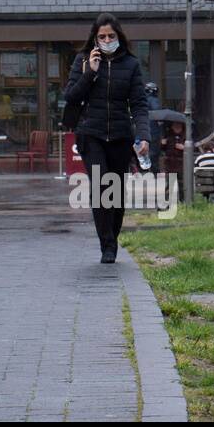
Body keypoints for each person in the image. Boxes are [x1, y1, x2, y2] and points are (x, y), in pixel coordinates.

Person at [63, 13, 150, 264]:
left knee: (117, 191)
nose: (107, 40)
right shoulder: (82, 60)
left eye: (111, 35)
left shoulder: (131, 65)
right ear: (94, 38)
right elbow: (71, 96)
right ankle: (107, 246)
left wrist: (143, 136)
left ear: (119, 36)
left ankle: (113, 235)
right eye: (102, 36)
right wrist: (90, 72)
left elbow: (139, 104)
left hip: (121, 136)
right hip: (91, 134)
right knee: (101, 187)